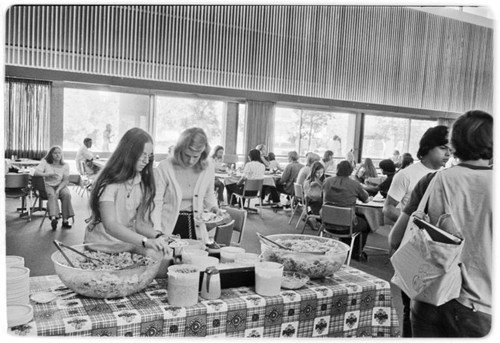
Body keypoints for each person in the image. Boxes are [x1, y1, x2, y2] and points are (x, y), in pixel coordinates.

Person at [389, 110, 492, 337]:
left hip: (430, 298)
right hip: (480, 307)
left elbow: (395, 239)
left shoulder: (432, 180)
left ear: (454, 144)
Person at [383, 125, 450, 337]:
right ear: (428, 148)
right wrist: (415, 222)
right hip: (412, 247)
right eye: (442, 147)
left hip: (438, 252)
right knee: (410, 308)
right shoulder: (407, 174)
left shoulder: (447, 177)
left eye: (450, 149)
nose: (448, 153)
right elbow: (388, 208)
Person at [84, 128, 169, 252]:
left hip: (125, 247)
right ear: (128, 153)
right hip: (99, 247)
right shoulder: (109, 182)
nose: (146, 161)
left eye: (149, 156)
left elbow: (139, 225)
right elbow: (110, 225)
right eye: (142, 155)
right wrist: (145, 241)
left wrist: (159, 236)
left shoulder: (142, 182)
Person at [153, 127, 222, 242]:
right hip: (168, 226)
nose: (191, 161)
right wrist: (157, 231)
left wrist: (214, 207)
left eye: (196, 156)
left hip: (197, 226)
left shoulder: (208, 167)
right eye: (187, 155)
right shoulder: (165, 167)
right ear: (179, 150)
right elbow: (156, 202)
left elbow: (209, 194)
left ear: (203, 153)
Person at [322, 160, 372, 260]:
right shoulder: (355, 185)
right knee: (366, 224)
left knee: (355, 220)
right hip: (346, 224)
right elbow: (366, 200)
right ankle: (356, 253)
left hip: (326, 222)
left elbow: (322, 198)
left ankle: (344, 247)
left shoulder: (327, 181)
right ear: (351, 171)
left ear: (337, 169)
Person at [34, 145, 75, 230]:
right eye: (55, 153)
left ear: (62, 154)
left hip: (61, 185)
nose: (57, 155)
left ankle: (65, 220)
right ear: (51, 154)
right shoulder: (45, 162)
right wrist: (47, 174)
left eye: (59, 153)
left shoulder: (65, 165)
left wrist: (59, 189)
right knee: (52, 195)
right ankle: (54, 219)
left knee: (67, 194)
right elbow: (36, 173)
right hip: (48, 184)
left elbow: (65, 180)